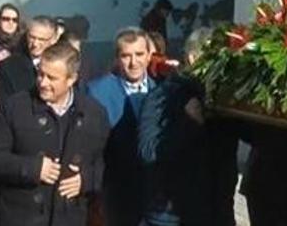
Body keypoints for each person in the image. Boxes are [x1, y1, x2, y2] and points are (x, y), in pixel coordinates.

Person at [0, 43, 110, 226]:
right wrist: (32, 168)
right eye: (40, 74)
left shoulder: (94, 114)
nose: (43, 83)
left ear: (71, 79)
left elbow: (107, 162)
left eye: (52, 78)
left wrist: (87, 180)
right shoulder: (16, 107)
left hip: (71, 216)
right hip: (21, 216)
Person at [137, 29, 212, 225]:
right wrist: (188, 122)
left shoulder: (219, 97)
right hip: (170, 214)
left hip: (214, 210)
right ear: (193, 57)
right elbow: (149, 151)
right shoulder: (162, 96)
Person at [87, 27, 156, 226]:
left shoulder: (161, 90)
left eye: (139, 54)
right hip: (115, 189)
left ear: (150, 55)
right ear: (117, 58)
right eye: (126, 56)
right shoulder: (97, 91)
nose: (134, 62)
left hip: (152, 190)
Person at [0, 16, 56, 109]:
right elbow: (5, 105)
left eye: (41, 39)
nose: (35, 44)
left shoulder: (61, 65)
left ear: (53, 40)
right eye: (32, 37)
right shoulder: (8, 67)